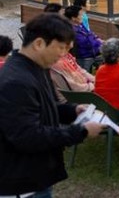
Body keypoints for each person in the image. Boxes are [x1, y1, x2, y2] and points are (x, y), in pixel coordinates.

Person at [0, 13, 104, 197]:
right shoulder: (16, 81)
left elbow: (42, 107)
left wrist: (72, 111)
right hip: (22, 183)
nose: (64, 54)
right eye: (61, 48)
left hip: (37, 176)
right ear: (39, 44)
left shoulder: (37, 68)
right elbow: (28, 136)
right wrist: (81, 132)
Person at [65, 5, 103, 72]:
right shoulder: (71, 30)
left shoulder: (80, 25)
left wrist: (98, 39)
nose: (83, 17)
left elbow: (90, 33)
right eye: (81, 15)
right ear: (73, 18)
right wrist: (99, 44)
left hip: (93, 53)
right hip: (84, 57)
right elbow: (86, 43)